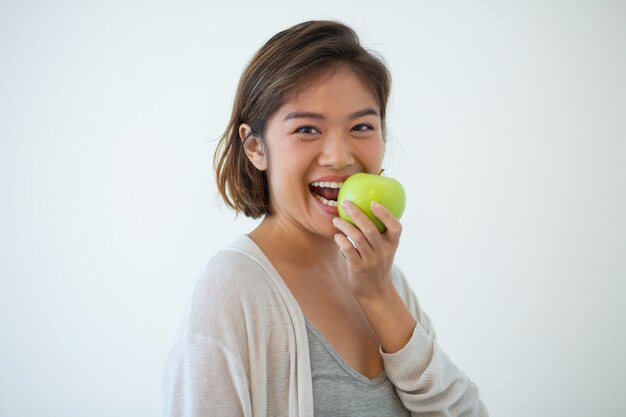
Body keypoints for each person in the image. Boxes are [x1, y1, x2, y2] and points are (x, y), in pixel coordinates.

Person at [162, 20, 489, 417]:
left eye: (362, 127)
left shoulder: (384, 279)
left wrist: (379, 295)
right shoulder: (230, 294)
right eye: (307, 129)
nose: (339, 156)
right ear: (255, 148)